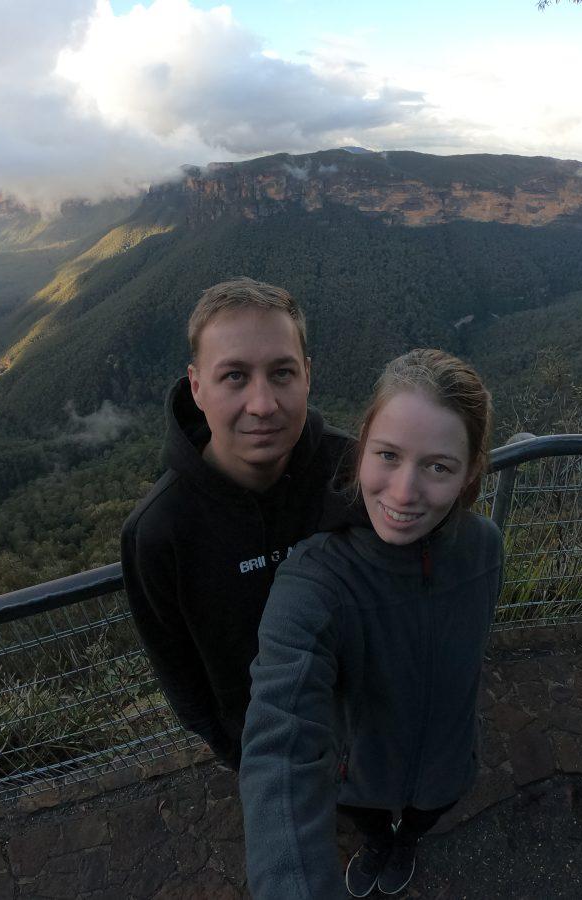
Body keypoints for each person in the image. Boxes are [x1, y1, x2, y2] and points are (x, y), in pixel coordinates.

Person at [240, 348, 504, 898]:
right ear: (362, 447)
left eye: (438, 466)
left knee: (422, 820)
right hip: (358, 776)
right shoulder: (317, 579)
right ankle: (380, 844)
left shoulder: (483, 546)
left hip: (445, 765)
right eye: (388, 455)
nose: (404, 493)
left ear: (471, 471)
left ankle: (405, 843)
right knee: (371, 824)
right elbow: (279, 741)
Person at [120, 277, 353, 769]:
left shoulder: (356, 474)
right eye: (234, 376)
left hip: (366, 725)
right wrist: (237, 750)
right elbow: (178, 671)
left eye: (282, 373)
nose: (263, 404)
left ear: (308, 375)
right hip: (264, 753)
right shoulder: (160, 532)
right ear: (197, 387)